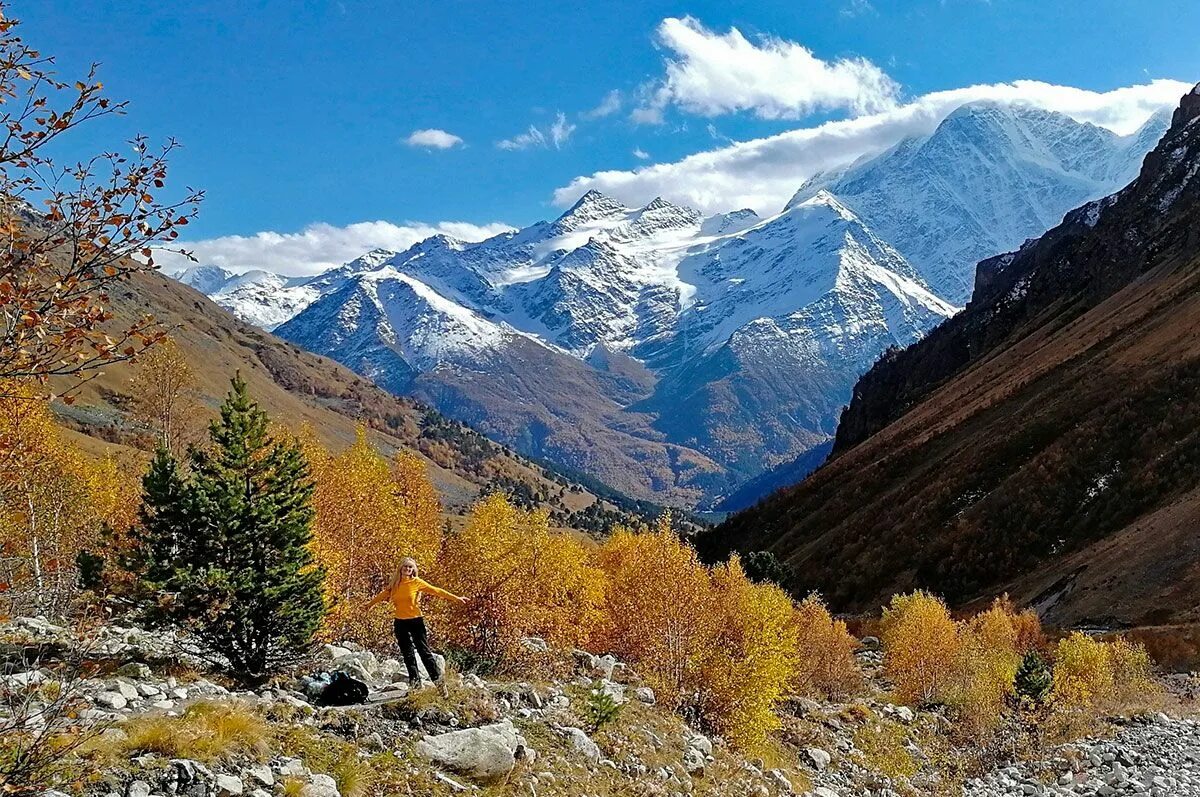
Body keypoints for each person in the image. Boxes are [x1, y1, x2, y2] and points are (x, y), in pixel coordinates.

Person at [366, 557, 467, 696]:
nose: (408, 569)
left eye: (410, 567)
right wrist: (369, 605)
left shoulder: (416, 582)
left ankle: (440, 685)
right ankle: (415, 686)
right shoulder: (395, 585)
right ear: (400, 568)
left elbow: (436, 591)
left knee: (424, 653)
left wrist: (456, 598)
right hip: (400, 623)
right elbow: (383, 595)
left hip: (416, 622)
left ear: (413, 570)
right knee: (408, 655)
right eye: (405, 567)